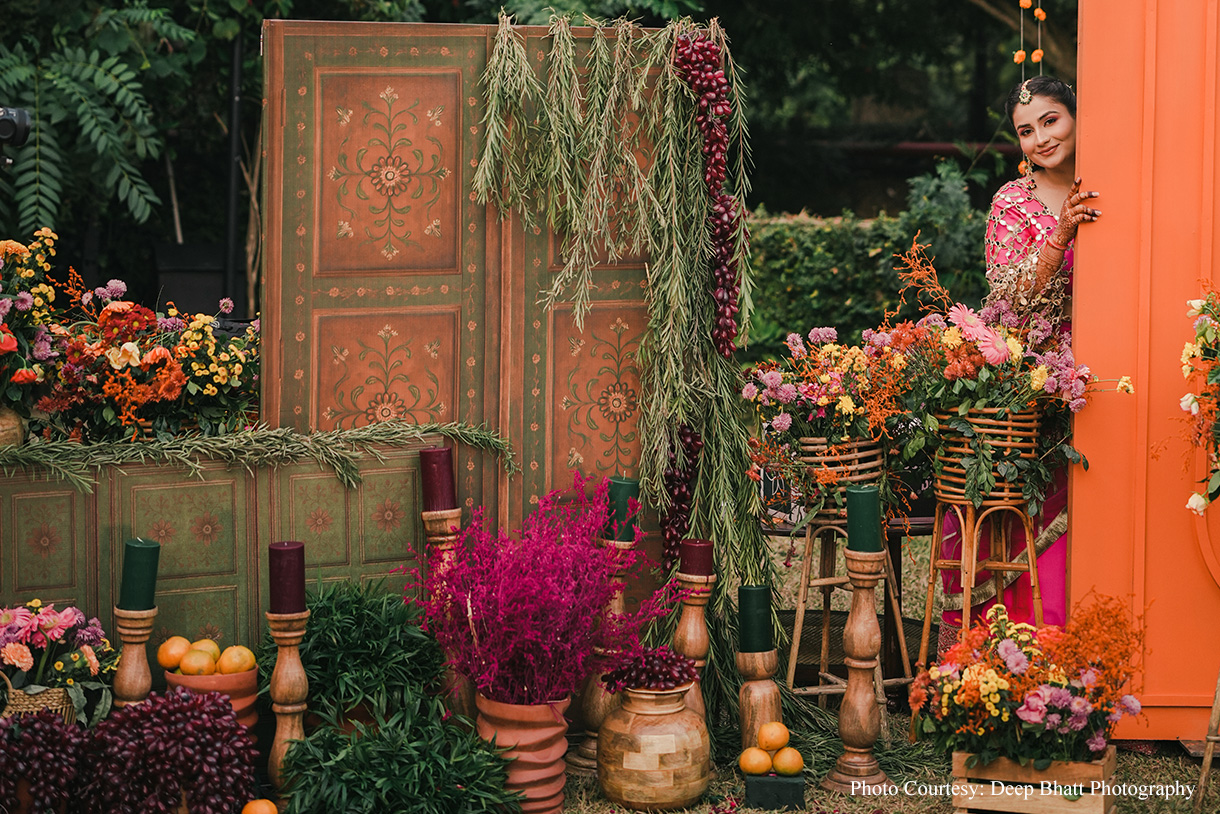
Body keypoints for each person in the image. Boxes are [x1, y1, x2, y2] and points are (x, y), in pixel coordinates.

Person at [936, 76, 1100, 654]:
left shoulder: (1111, 184)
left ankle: (1092, 660)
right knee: (1022, 520)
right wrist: (1060, 235)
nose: (1040, 139)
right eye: (1026, 131)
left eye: (1051, 121)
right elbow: (1011, 299)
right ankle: (1015, 659)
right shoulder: (1012, 204)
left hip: (1110, 375)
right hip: (1035, 385)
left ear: (1079, 117)